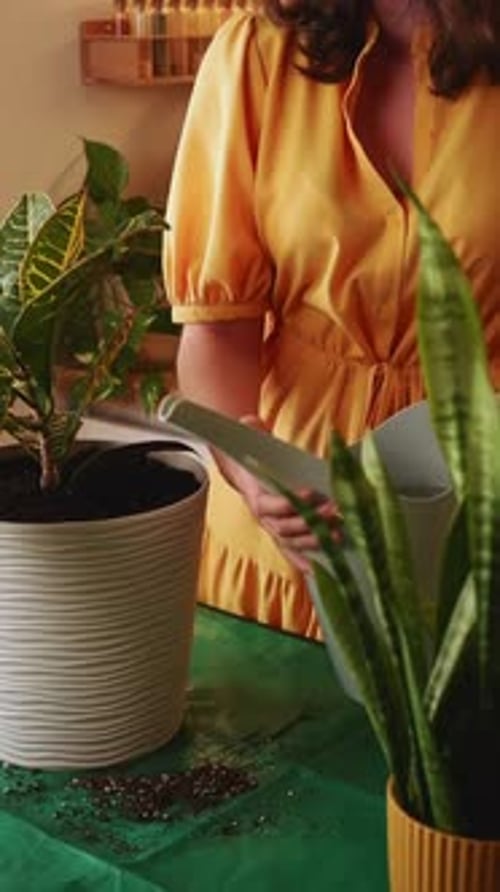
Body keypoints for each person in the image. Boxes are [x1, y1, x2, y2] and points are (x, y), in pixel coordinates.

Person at [164, 0, 500, 638]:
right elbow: (215, 329)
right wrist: (253, 473)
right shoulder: (256, 53)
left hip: (474, 545)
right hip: (278, 550)